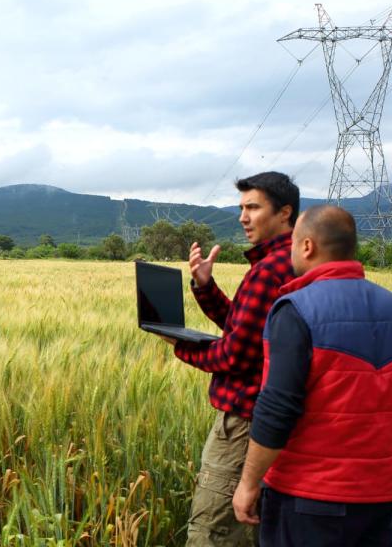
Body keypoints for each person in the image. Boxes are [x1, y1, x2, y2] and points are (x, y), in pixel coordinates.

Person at [232, 205, 392, 546]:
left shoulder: (297, 309)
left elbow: (277, 408)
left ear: (307, 247)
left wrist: (247, 484)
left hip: (307, 499)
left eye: (292, 243)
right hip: (377, 498)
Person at [157, 171, 300, 546]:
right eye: (241, 208)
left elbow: (237, 354)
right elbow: (246, 329)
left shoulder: (268, 271)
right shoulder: (291, 263)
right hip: (272, 423)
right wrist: (206, 287)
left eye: (253, 207)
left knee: (212, 532)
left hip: (243, 426)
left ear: (285, 213)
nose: (243, 217)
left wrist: (178, 342)